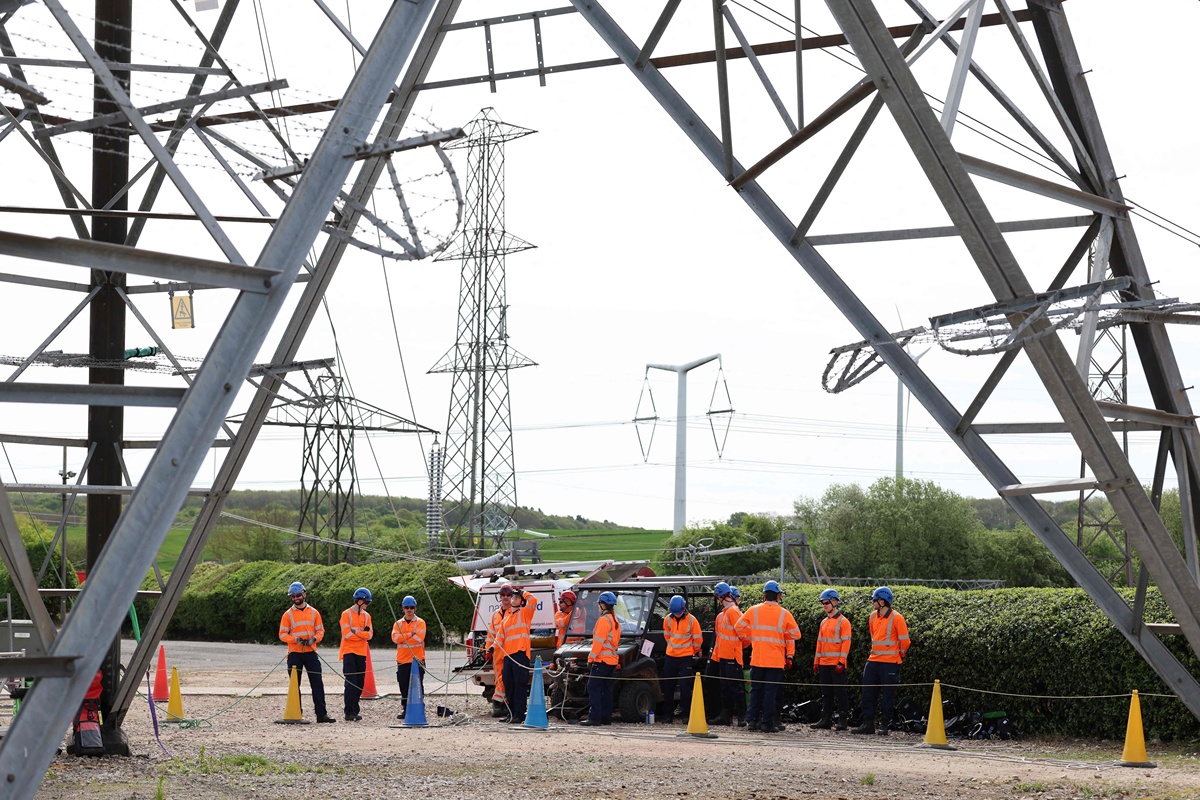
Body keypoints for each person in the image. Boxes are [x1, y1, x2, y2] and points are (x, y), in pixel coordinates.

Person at [734, 580, 800, 734]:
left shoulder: (753, 610)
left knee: (756, 690)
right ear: (778, 596)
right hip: (775, 660)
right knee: (770, 692)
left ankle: (752, 721)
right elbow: (796, 634)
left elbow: (738, 627)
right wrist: (781, 633)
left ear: (764, 595)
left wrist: (753, 635)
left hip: (757, 658)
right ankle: (767, 723)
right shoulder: (784, 613)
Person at [852, 586, 909, 736]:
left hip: (890, 663)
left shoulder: (897, 618)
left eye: (874, 599)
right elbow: (873, 636)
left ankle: (884, 725)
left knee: (887, 695)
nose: (872, 602)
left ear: (882, 601)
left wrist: (899, 656)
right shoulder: (872, 617)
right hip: (873, 661)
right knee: (868, 693)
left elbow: (905, 642)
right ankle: (868, 724)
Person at [278, 581, 335, 723]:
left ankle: (322, 715)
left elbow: (320, 630)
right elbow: (282, 634)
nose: (296, 598)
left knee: (317, 683)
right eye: (293, 596)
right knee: (294, 685)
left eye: (298, 595)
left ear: (304, 594)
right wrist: (295, 639)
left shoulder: (314, 613)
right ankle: (296, 713)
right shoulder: (287, 615)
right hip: (294, 654)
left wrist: (314, 639)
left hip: (310, 653)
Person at [810, 588, 851, 731]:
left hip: (836, 664)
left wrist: (841, 662)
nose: (824, 605)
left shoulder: (843, 622)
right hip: (824, 664)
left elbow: (846, 644)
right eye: (823, 603)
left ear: (834, 602)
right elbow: (819, 643)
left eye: (826, 602)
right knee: (826, 693)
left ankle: (843, 720)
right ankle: (826, 719)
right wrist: (817, 661)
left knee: (840, 693)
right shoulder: (824, 622)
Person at [659, 594, 702, 723]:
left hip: (685, 658)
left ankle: (685, 715)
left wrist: (691, 652)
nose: (677, 614)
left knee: (685, 688)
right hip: (671, 657)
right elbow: (667, 636)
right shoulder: (667, 620)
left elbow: (698, 640)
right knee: (668, 687)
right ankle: (668, 715)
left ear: (684, 609)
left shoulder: (692, 620)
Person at [496, 585, 536, 723]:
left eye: (517, 597)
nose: (513, 598)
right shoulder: (506, 619)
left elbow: (533, 600)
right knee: (509, 685)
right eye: (514, 596)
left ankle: (520, 714)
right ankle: (511, 713)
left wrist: (523, 592)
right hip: (508, 655)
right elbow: (500, 637)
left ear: (522, 601)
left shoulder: (525, 613)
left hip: (520, 654)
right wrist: (492, 648)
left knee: (520, 685)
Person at [706, 581, 744, 726]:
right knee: (725, 688)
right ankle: (726, 716)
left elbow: (743, 634)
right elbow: (720, 638)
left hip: (732, 656)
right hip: (723, 656)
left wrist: (736, 652)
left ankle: (742, 717)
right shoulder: (722, 616)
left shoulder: (733, 612)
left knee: (735, 687)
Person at [580, 590, 619, 726]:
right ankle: (605, 718)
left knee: (593, 687)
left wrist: (590, 659)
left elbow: (598, 643)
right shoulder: (615, 620)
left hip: (602, 660)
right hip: (612, 661)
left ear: (602, 604)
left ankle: (594, 718)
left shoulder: (603, 620)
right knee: (606, 690)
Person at [338, 587, 374, 722]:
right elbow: (346, 634)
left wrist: (357, 633)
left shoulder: (367, 616)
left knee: (359, 682)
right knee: (350, 682)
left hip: (361, 652)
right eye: (367, 602)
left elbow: (369, 634)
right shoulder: (345, 614)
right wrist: (361, 635)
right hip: (348, 652)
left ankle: (355, 709)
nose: (367, 605)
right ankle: (349, 711)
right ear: (359, 601)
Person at [392, 594, 427, 719]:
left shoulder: (420, 622)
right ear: (403, 608)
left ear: (415, 608)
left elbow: (419, 638)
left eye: (411, 607)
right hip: (402, 660)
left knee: (417, 686)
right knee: (404, 686)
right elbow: (395, 638)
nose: (409, 610)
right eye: (407, 607)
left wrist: (404, 637)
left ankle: (419, 708)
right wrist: (410, 634)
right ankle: (406, 709)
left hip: (417, 660)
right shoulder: (398, 624)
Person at [485, 582, 513, 714]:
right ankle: (501, 704)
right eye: (503, 595)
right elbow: (491, 633)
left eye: (508, 595)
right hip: (497, 651)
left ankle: (499, 702)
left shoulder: (515, 612)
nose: (505, 597)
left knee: (506, 678)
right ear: (500, 597)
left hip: (510, 650)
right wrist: (487, 649)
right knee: (499, 678)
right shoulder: (496, 614)